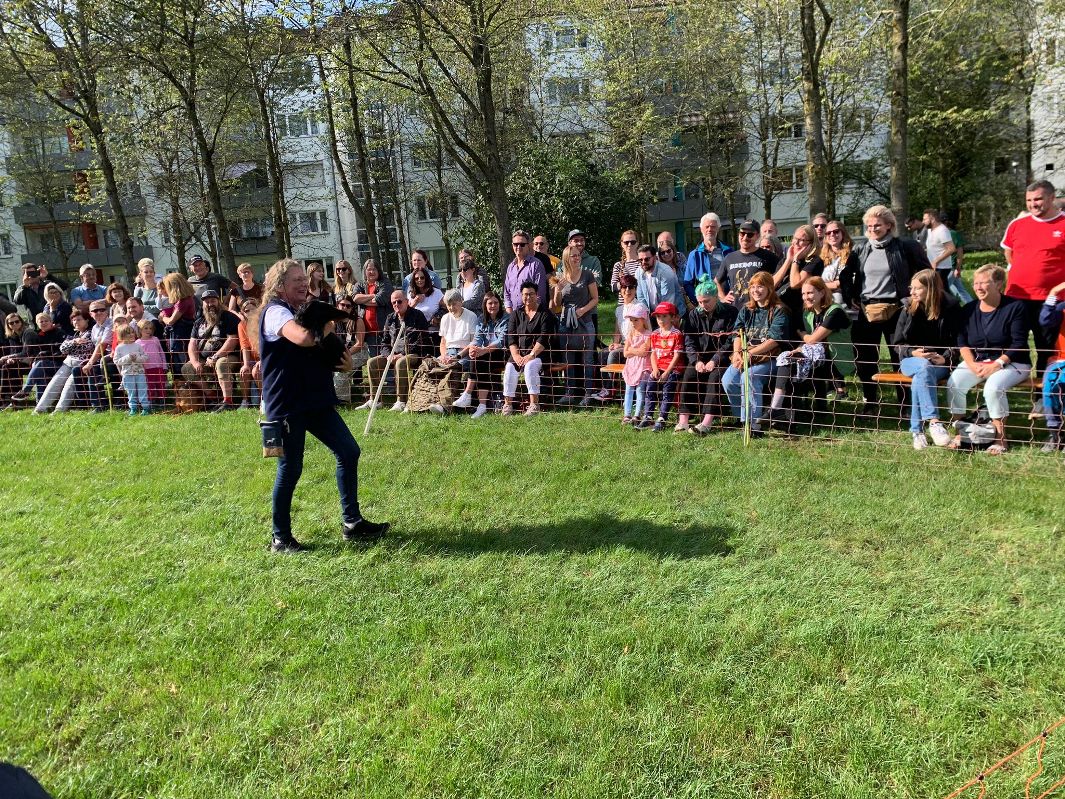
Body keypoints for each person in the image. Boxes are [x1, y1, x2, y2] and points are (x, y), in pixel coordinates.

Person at [258, 257, 388, 552]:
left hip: (315, 400)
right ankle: (280, 538)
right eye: (296, 281)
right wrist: (329, 325)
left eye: (305, 280)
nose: (304, 284)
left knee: (348, 451)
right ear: (279, 287)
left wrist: (339, 363)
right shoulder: (275, 313)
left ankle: (352, 523)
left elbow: (314, 354)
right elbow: (303, 338)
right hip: (288, 404)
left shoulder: (299, 310)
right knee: (290, 468)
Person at [946, 264, 1032, 455]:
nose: (978, 287)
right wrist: (971, 364)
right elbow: (962, 342)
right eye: (976, 283)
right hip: (978, 362)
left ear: (999, 284)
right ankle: (960, 433)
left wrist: (997, 364)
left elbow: (1018, 343)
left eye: (984, 283)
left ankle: (1000, 439)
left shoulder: (1015, 307)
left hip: (1013, 362)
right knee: (954, 383)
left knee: (992, 387)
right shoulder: (968, 309)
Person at [852, 204, 931, 405]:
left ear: (889, 225)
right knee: (864, 358)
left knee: (900, 357)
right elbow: (848, 276)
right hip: (867, 311)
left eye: (877, 225)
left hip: (898, 311)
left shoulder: (906, 246)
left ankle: (905, 404)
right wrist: (849, 296)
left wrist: (914, 298)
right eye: (868, 226)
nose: (872, 229)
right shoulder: (860, 248)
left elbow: (927, 274)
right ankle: (870, 401)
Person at [767, 277, 854, 430]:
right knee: (791, 362)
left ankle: (781, 411)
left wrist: (802, 335)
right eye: (803, 293)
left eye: (810, 293)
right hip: (820, 358)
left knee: (792, 366)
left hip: (837, 360)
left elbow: (812, 339)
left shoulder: (835, 312)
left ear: (821, 293)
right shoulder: (809, 313)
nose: (806, 297)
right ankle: (786, 413)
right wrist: (802, 343)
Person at [1001, 180, 1065, 377]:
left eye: (1038, 199)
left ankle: (1041, 398)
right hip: (1016, 297)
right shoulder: (1017, 224)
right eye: (1029, 200)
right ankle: (1001, 391)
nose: (1033, 204)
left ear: (1052, 197)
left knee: (1045, 349)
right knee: (1011, 345)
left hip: (1050, 301)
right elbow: (1009, 252)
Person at [892, 269, 960, 450]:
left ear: (930, 288)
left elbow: (958, 341)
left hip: (938, 362)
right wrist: (913, 353)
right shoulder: (908, 307)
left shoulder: (951, 307)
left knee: (921, 377)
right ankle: (935, 422)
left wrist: (944, 358)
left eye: (917, 288)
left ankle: (917, 431)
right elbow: (897, 344)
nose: (911, 292)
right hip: (911, 360)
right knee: (922, 367)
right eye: (911, 288)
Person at [722, 271, 789, 434]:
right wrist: (737, 353)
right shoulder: (746, 309)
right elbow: (738, 333)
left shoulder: (779, 310)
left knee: (749, 376)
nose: (755, 290)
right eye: (752, 286)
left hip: (770, 358)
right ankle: (742, 419)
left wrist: (749, 354)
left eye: (760, 286)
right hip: (745, 355)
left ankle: (754, 424)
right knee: (729, 379)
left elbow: (774, 340)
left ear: (769, 288)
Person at [677, 280, 739, 435]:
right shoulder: (693, 314)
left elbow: (730, 342)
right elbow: (689, 341)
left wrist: (715, 360)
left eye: (706, 301)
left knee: (715, 377)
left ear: (716, 298)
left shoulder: (730, 312)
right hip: (700, 356)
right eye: (699, 302)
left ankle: (707, 422)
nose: (703, 305)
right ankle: (683, 420)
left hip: (723, 358)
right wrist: (695, 360)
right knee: (689, 374)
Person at [362, 290, 432, 412]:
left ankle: (401, 401)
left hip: (414, 353)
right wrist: (388, 355)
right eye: (393, 302)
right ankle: (375, 399)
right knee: (372, 362)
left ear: (406, 301)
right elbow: (384, 341)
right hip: (392, 354)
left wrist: (402, 354)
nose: (396, 304)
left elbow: (422, 340)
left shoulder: (417, 316)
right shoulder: (390, 318)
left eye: (399, 301)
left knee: (401, 362)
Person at [554, 244, 600, 406]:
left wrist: (582, 310)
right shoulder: (562, 278)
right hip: (566, 322)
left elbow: (595, 298)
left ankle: (588, 393)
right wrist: (558, 290)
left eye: (578, 255)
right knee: (568, 358)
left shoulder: (587, 275)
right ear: (566, 258)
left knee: (587, 358)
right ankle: (570, 393)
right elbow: (556, 303)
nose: (577, 257)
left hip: (585, 321)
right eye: (573, 255)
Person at [502, 280, 555, 417]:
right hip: (518, 354)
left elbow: (543, 338)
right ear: (521, 295)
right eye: (525, 294)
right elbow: (511, 337)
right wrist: (516, 356)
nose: (528, 297)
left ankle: (534, 405)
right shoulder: (515, 314)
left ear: (537, 295)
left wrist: (531, 355)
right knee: (509, 369)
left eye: (531, 294)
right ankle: (507, 405)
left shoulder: (545, 314)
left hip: (539, 354)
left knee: (530, 366)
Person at [181, 289, 241, 411]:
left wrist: (216, 356)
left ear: (218, 301)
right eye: (207, 302)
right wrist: (195, 362)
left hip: (229, 355)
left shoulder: (228, 317)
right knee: (187, 368)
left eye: (213, 301)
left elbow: (232, 340)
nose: (210, 304)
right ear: (203, 304)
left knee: (221, 364)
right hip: (205, 358)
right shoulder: (199, 321)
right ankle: (212, 396)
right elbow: (192, 343)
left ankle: (227, 402)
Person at [455, 290, 509, 419]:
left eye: (496, 303)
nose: (493, 306)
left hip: (503, 353)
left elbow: (502, 341)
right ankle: (482, 405)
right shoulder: (481, 319)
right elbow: (477, 339)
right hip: (485, 355)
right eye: (490, 303)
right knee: (477, 359)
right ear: (485, 305)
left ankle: (469, 395)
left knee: (479, 358)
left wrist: (483, 350)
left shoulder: (506, 318)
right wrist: (473, 348)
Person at [635, 301, 684, 432]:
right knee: (650, 387)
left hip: (672, 369)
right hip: (659, 367)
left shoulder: (676, 334)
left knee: (668, 389)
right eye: (658, 317)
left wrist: (667, 372)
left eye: (664, 316)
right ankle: (648, 416)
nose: (661, 320)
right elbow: (652, 354)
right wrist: (655, 369)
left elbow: (677, 356)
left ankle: (662, 418)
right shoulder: (655, 334)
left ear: (672, 317)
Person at [34, 310, 95, 414]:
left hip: (81, 364)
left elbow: (86, 346)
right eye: (74, 320)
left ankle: (60, 410)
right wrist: (74, 342)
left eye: (79, 319)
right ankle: (40, 409)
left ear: (87, 320)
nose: (76, 322)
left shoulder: (91, 333)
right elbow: (63, 348)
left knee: (69, 386)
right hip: (68, 363)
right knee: (55, 383)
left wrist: (71, 344)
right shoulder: (73, 334)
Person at [4, 313, 63, 409]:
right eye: (41, 322)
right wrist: (11, 359)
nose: (43, 323)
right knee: (40, 373)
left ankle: (25, 391)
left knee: (40, 365)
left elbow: (59, 351)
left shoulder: (58, 332)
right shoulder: (40, 335)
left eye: (46, 321)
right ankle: (40, 405)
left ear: (51, 322)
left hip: (58, 363)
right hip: (40, 364)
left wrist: (43, 356)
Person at [715, 219, 777, 306]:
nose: (745, 238)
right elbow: (717, 280)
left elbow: (778, 279)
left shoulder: (768, 256)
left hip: (759, 310)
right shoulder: (729, 258)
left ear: (758, 236)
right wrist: (722, 298)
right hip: (735, 311)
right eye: (742, 233)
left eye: (750, 235)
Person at [1038, 280, 1065, 452]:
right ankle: (1055, 433)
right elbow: (1045, 320)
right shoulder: (1063, 307)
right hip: (1061, 359)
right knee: (1050, 386)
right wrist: (1053, 293)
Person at [684, 212, 732, 304]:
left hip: (726, 302)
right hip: (705, 305)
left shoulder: (729, 252)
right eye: (707, 227)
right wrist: (698, 300)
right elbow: (688, 283)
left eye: (713, 226)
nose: (710, 229)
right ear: (701, 229)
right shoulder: (694, 255)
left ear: (718, 228)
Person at [80, 301, 115, 411]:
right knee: (77, 370)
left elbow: (103, 345)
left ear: (107, 311)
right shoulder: (94, 328)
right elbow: (96, 347)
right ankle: (83, 404)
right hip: (101, 356)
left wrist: (90, 363)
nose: (99, 312)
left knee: (92, 370)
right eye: (95, 310)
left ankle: (98, 406)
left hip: (113, 355)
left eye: (102, 310)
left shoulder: (112, 323)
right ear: (90, 314)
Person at [352, 260, 392, 356]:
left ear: (379, 271)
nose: (371, 272)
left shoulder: (385, 283)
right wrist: (372, 295)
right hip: (369, 333)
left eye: (374, 269)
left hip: (384, 332)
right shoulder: (359, 285)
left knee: (387, 361)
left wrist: (363, 300)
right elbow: (355, 298)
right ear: (365, 271)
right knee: (375, 362)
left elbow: (379, 300)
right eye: (369, 269)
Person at [621, 303, 652, 425]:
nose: (633, 322)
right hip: (631, 366)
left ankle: (637, 414)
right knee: (628, 389)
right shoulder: (631, 334)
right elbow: (625, 353)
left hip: (643, 367)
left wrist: (632, 351)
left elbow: (644, 352)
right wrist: (635, 351)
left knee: (640, 390)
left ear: (643, 319)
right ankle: (627, 414)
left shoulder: (648, 335)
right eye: (631, 320)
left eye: (636, 320)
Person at [158, 272, 196, 371]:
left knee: (182, 361)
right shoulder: (186, 298)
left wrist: (163, 317)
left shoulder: (183, 302)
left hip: (182, 335)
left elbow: (171, 321)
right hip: (182, 334)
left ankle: (187, 381)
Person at [503, 230, 547, 314]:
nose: (518, 247)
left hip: (532, 315)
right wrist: (510, 314)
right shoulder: (510, 267)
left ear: (528, 246)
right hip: (513, 315)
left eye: (522, 244)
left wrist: (529, 315)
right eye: (516, 244)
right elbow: (507, 293)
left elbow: (539, 295)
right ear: (512, 246)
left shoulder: (536, 265)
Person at [635, 245, 685, 317]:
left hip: (673, 315)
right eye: (640, 260)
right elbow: (641, 298)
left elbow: (667, 301)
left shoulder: (665, 272)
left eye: (647, 259)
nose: (643, 262)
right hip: (653, 314)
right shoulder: (638, 272)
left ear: (655, 258)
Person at [820, 220, 860, 309]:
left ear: (843, 233)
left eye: (836, 231)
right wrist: (834, 285)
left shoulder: (853, 254)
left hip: (847, 303)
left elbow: (854, 279)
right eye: (828, 233)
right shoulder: (820, 257)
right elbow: (816, 282)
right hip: (825, 302)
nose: (832, 235)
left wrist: (827, 285)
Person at [112, 323, 150, 415]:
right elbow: (116, 361)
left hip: (139, 372)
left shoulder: (137, 346)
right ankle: (133, 408)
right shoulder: (119, 348)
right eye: (128, 333)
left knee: (142, 390)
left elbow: (145, 357)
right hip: (127, 374)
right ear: (122, 335)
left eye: (132, 332)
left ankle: (145, 408)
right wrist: (128, 358)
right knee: (131, 391)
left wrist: (137, 359)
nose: (132, 335)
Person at [238, 299, 263, 409]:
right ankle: (245, 401)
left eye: (253, 310)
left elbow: (266, 343)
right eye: (247, 311)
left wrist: (262, 360)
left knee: (256, 371)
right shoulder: (242, 325)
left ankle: (264, 399)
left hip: (265, 356)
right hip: (252, 357)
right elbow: (245, 346)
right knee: (244, 371)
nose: (250, 313)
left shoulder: (263, 322)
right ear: (243, 313)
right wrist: (246, 364)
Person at [137, 319, 168, 409]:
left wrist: (164, 365)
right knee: (149, 385)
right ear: (139, 330)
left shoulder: (155, 339)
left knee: (160, 384)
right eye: (145, 328)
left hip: (158, 367)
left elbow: (161, 352)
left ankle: (162, 401)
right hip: (146, 368)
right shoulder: (137, 343)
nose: (149, 330)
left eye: (150, 328)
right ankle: (152, 401)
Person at [406, 266, 444, 334]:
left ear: (426, 278)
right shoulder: (410, 295)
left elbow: (445, 308)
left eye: (422, 277)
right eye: (416, 278)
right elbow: (406, 314)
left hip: (434, 332)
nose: (419, 280)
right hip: (416, 333)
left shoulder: (436, 292)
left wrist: (437, 317)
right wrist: (415, 302)